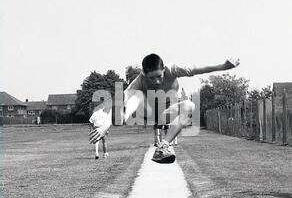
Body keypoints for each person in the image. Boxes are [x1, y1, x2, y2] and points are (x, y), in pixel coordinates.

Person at [89, 54, 240, 163]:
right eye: (151, 78)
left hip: (165, 113)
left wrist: (223, 66)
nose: (156, 81)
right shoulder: (139, 80)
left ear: (164, 70)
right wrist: (104, 126)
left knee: (190, 105)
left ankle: (163, 146)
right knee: (135, 95)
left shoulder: (173, 69)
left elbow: (196, 69)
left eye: (159, 76)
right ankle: (121, 117)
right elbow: (120, 98)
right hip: (145, 111)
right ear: (144, 74)